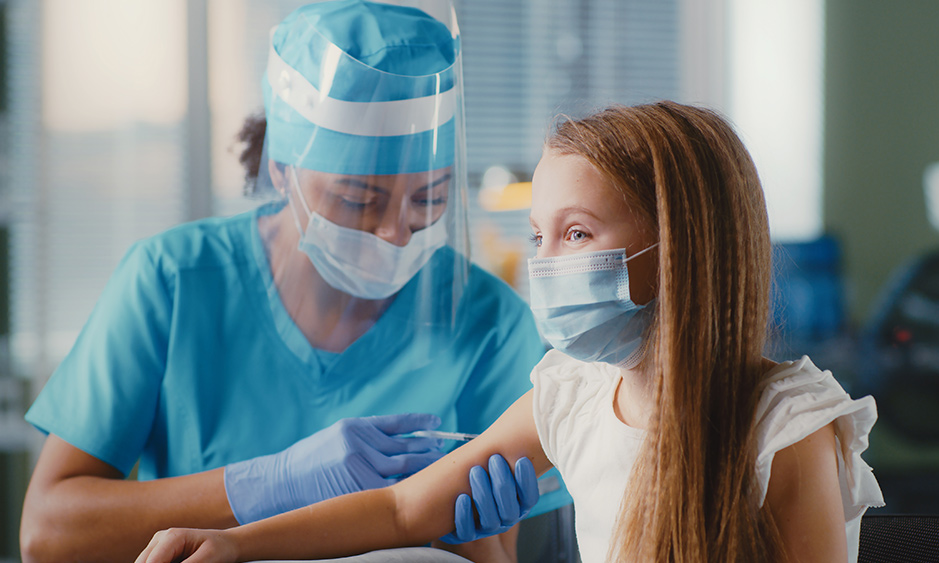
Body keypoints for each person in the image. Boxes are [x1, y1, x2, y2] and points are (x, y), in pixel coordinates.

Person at [132, 100, 885, 563]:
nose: (546, 264)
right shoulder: (574, 390)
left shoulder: (784, 428)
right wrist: (235, 541)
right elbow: (402, 507)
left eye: (578, 233)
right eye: (537, 237)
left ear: (681, 249)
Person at [19, 2, 570, 562]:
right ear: (282, 168)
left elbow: (506, 555)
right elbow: (48, 535)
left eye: (429, 198)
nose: (397, 233)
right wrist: (271, 483)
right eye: (359, 200)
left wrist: (470, 530)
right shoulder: (173, 282)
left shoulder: (488, 320)